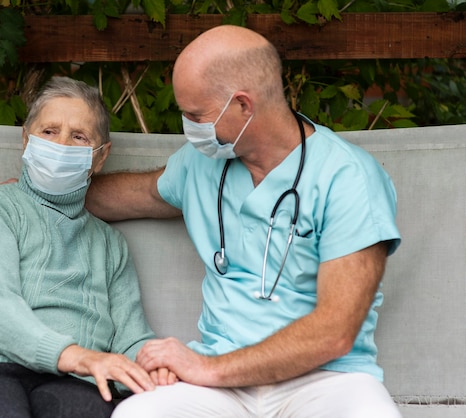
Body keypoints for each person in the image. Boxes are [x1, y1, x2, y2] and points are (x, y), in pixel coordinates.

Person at [85, 25, 402, 418]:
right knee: (136, 415)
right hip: (218, 389)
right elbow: (140, 194)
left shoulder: (348, 178)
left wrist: (204, 368)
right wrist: (40, 192)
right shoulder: (202, 163)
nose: (188, 126)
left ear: (243, 105)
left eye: (194, 114)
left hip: (325, 380)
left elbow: (334, 332)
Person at [0, 76, 158, 418]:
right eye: (49, 131)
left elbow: (131, 338)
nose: (62, 145)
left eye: (79, 136)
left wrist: (157, 366)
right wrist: (76, 355)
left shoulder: (110, 244)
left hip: (72, 380)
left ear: (100, 157)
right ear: (26, 139)